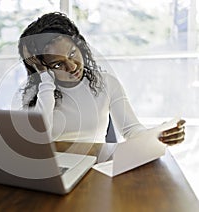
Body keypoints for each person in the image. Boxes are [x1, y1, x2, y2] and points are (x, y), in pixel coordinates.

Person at [17, 12, 185, 150]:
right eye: (58, 64)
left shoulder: (105, 83)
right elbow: (39, 138)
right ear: (42, 67)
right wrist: (45, 82)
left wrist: (160, 134)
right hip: (54, 170)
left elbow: (131, 130)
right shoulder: (35, 94)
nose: (72, 66)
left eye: (72, 54)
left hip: (95, 168)